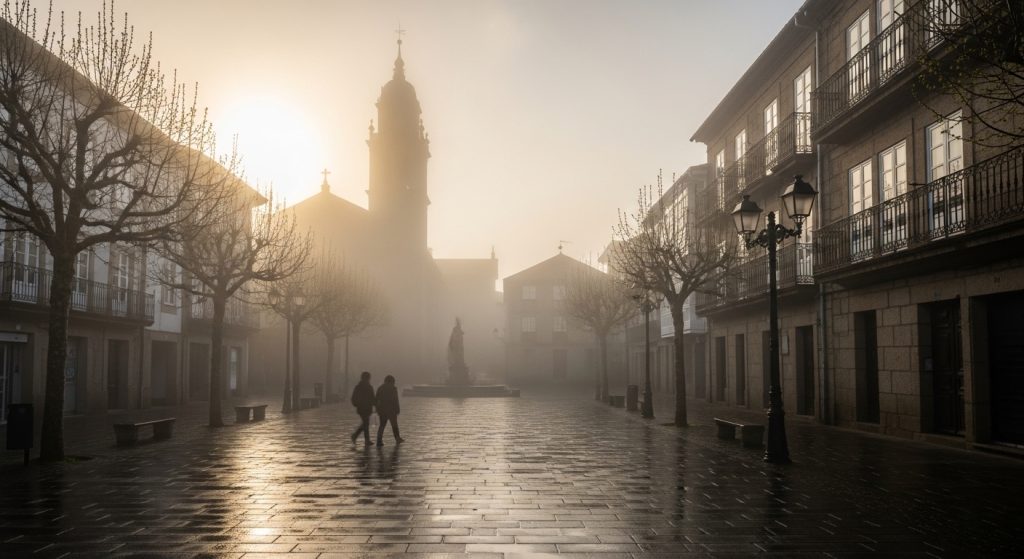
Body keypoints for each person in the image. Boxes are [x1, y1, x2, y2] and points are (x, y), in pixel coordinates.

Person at [375, 374, 404, 447]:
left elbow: (376, 400)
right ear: (391, 381)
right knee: (394, 425)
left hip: (382, 410)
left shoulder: (380, 388)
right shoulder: (393, 388)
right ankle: (397, 438)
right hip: (392, 410)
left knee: (382, 426)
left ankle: (379, 440)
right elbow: (395, 400)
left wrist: (377, 409)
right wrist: (397, 409)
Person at [350, 371, 376, 445]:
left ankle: (356, 436)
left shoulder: (359, 387)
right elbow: (373, 398)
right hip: (364, 408)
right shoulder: (366, 387)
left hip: (364, 408)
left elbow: (372, 398)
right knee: (366, 423)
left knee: (365, 424)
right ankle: (365, 440)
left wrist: (356, 404)